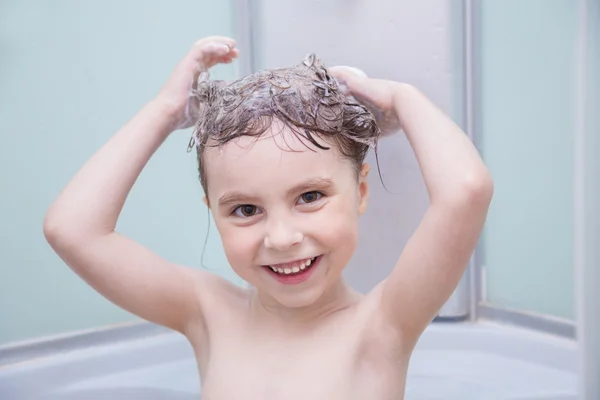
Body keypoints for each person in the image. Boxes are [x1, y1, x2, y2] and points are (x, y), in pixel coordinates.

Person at [43, 36, 493, 400]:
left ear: (359, 191)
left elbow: (465, 192)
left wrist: (401, 98)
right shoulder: (208, 313)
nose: (281, 237)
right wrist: (166, 111)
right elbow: (72, 230)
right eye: (245, 210)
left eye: (310, 196)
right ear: (212, 213)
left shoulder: (382, 326)